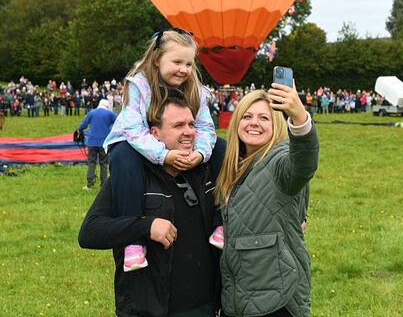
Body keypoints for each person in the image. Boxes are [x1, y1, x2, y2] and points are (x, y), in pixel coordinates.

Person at [78, 98, 224, 317]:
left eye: (191, 125)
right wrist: (147, 226)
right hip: (148, 308)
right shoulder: (132, 176)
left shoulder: (205, 171)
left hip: (203, 307)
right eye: (178, 126)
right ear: (154, 133)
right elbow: (90, 232)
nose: (189, 132)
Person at [103, 28, 217, 272]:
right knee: (124, 154)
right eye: (176, 62)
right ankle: (133, 242)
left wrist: (199, 154)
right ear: (157, 59)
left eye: (188, 63)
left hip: (178, 146)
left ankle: (220, 223)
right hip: (136, 146)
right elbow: (134, 130)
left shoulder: (194, 89)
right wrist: (163, 155)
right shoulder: (140, 85)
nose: (184, 69)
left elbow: (207, 128)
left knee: (223, 147)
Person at [215, 84, 319, 317]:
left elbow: (303, 165)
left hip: (276, 298)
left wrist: (300, 118)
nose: (254, 123)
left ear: (277, 125)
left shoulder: (279, 159)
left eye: (264, 118)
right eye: (247, 116)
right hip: (237, 299)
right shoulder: (232, 166)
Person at [77, 98, 117, 189]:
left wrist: (79, 130)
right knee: (104, 163)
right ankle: (104, 184)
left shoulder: (92, 112)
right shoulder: (109, 114)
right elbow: (119, 121)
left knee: (91, 162)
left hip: (91, 142)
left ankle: (90, 184)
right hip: (104, 143)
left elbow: (83, 125)